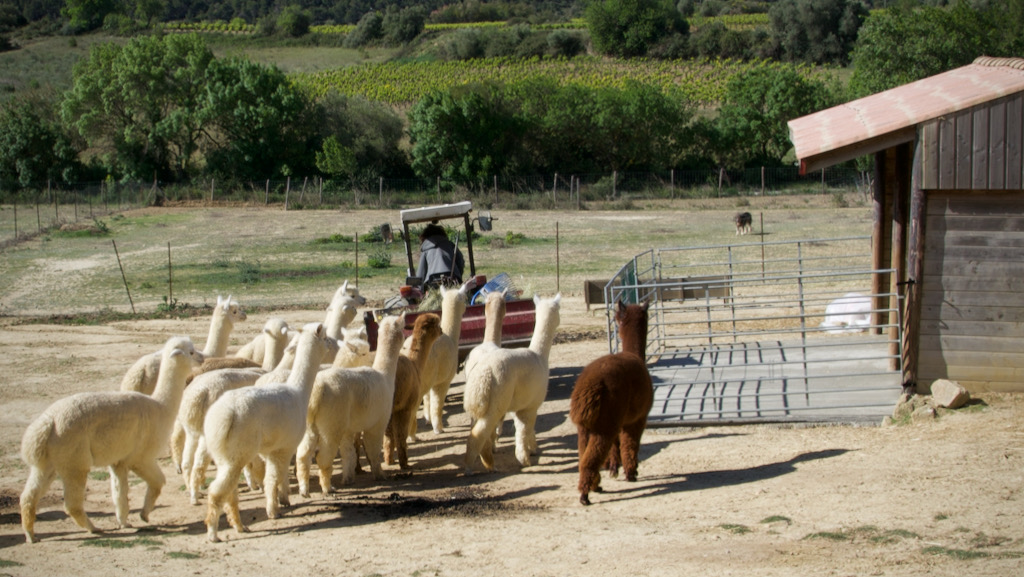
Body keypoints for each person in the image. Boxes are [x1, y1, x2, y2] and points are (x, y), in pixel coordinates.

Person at [417, 223, 465, 290]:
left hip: (432, 280)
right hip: (453, 278)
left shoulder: (425, 249)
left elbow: (421, 272)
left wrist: (419, 289)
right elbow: (460, 262)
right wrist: (459, 275)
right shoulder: (450, 245)